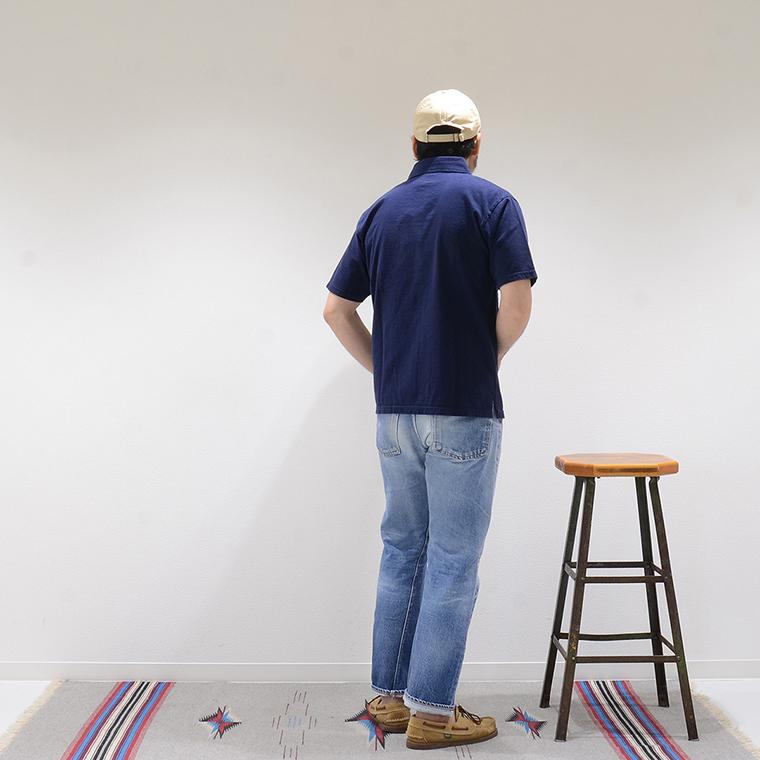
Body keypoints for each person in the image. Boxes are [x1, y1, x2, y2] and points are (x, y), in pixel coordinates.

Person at [323, 88, 537, 750]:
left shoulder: (382, 210)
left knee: (402, 550)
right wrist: (483, 360)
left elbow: (335, 309)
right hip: (463, 409)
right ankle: (434, 715)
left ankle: (390, 701)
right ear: (476, 146)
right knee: (451, 559)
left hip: (395, 414)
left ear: (414, 145)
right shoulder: (492, 203)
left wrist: (386, 371)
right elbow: (517, 303)